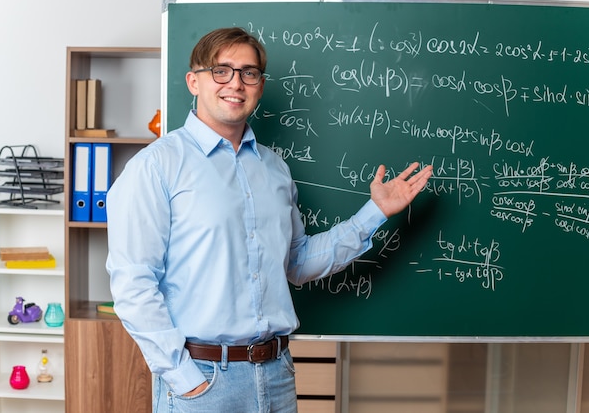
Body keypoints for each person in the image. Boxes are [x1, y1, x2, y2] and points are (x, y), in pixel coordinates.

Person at [106, 27, 433, 412]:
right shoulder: (155, 166)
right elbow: (133, 283)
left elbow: (297, 262)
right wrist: (183, 378)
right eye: (221, 70)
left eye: (249, 72)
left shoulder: (274, 168)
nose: (236, 83)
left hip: (277, 376)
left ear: (260, 86)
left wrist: (374, 213)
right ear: (194, 81)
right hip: (203, 381)